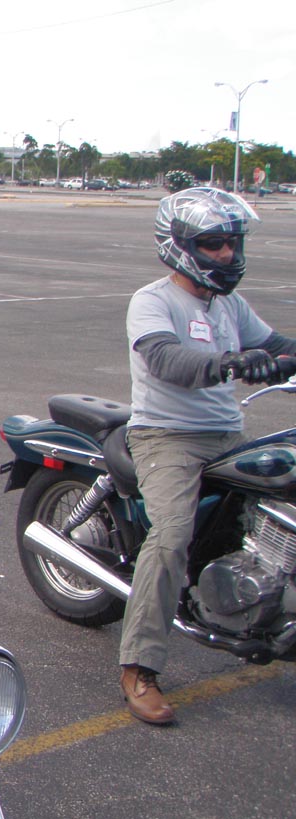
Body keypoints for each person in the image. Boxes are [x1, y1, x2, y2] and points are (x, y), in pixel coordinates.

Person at [122, 186, 296, 725]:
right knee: (172, 535)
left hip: (227, 435)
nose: (226, 253)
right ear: (180, 246)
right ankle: (139, 667)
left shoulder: (229, 305)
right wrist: (231, 363)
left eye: (232, 243)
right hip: (167, 436)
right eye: (214, 244)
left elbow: (278, 345)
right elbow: (166, 359)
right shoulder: (152, 301)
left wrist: (281, 356)